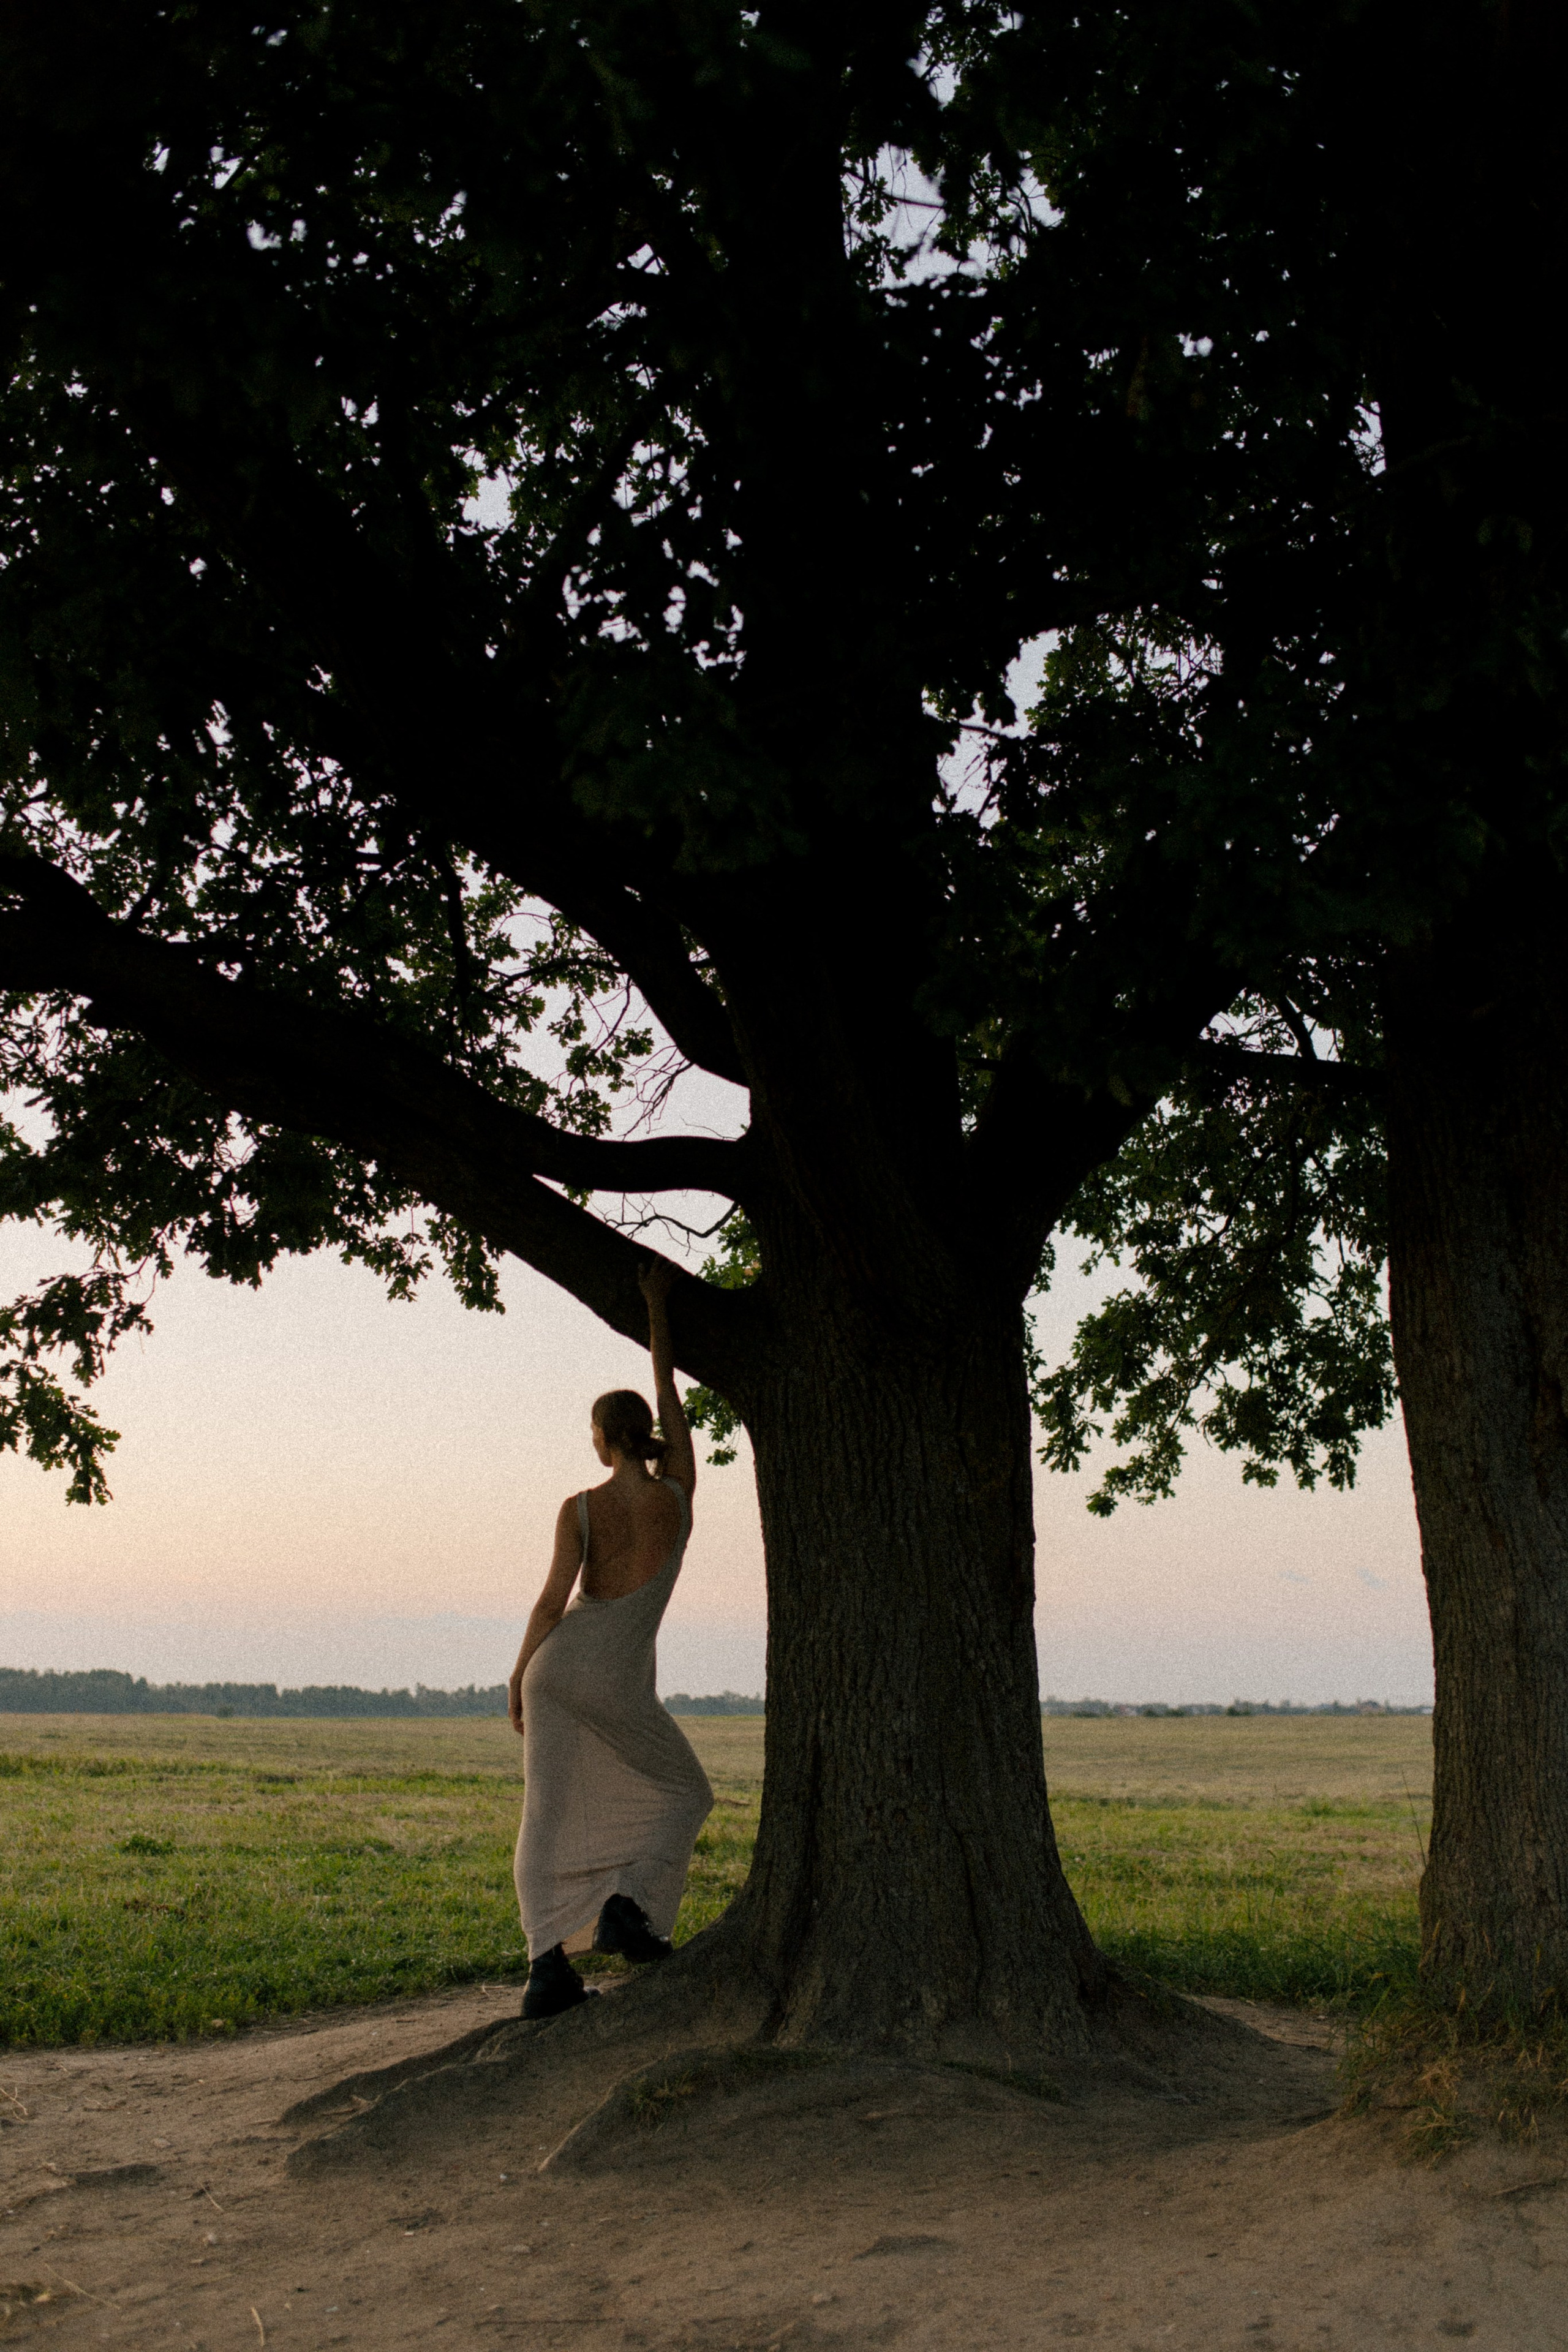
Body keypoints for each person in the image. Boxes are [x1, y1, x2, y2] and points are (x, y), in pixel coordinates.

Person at [508, 1261, 714, 2019]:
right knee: (687, 1793)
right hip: (618, 1680)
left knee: (546, 1817)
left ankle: (545, 1970)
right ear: (649, 1438)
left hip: (559, 1669)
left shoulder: (580, 1506)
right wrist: (658, 1313)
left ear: (601, 1443)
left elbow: (550, 1602)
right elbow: (670, 1399)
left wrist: (518, 1674)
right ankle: (630, 1907)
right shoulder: (679, 1495)